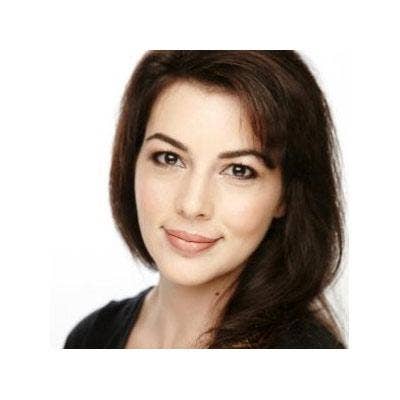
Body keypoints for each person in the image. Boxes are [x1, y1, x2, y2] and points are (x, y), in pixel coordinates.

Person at [64, 50, 346, 349]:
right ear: (132, 161)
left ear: (286, 195)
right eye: (169, 158)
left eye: (239, 170)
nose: (192, 205)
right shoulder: (92, 337)